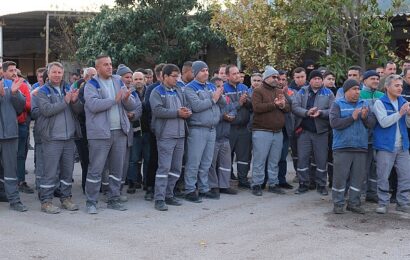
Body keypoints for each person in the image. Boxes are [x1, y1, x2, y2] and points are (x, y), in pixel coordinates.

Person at [84, 55, 138, 214]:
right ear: (98, 67)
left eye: (110, 64)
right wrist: (115, 100)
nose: (109, 67)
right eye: (105, 65)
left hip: (119, 131)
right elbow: (93, 105)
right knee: (96, 168)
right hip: (100, 133)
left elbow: (131, 105)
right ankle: (91, 201)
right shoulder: (91, 84)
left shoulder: (117, 80)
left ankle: (114, 197)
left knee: (117, 168)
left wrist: (127, 99)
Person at [37, 62, 82, 213]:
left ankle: (66, 198)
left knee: (67, 171)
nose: (57, 75)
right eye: (54, 72)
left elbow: (78, 111)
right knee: (50, 172)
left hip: (69, 138)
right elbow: (46, 110)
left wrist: (75, 101)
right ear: (48, 74)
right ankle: (46, 201)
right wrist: (65, 101)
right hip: (52, 138)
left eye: (59, 72)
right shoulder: (42, 91)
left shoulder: (68, 88)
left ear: (63, 74)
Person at [330, 79, 376, 214]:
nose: (357, 92)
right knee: (340, 178)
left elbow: (371, 124)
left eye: (358, 89)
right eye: (354, 89)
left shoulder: (364, 103)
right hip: (342, 147)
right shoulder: (337, 104)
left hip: (360, 147)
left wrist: (365, 117)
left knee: (358, 178)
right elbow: (335, 123)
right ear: (346, 91)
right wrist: (353, 117)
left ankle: (354, 203)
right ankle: (338, 204)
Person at [149, 64, 191, 211]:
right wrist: (177, 113)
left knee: (176, 168)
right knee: (164, 168)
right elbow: (157, 110)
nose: (176, 79)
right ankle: (159, 198)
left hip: (180, 135)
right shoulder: (157, 92)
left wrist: (187, 111)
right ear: (164, 76)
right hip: (166, 135)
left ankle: (169, 194)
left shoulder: (179, 90)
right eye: (173, 76)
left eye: (177, 76)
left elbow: (185, 105)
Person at [184, 61, 225, 202]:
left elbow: (223, 103)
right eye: (202, 71)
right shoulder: (189, 88)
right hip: (197, 128)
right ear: (195, 73)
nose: (206, 73)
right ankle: (190, 189)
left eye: (207, 70)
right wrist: (213, 99)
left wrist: (220, 95)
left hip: (211, 129)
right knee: (194, 161)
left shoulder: (211, 86)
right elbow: (196, 106)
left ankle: (203, 187)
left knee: (206, 162)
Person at [292, 70, 335, 195]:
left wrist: (321, 113)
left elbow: (332, 110)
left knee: (321, 160)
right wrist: (306, 112)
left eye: (319, 78)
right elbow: (295, 107)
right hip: (304, 131)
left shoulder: (328, 93)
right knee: (302, 159)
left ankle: (321, 185)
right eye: (314, 78)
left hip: (321, 132)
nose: (317, 81)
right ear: (309, 80)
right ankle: (303, 184)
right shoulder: (302, 91)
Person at [373, 74, 410, 214]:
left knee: (406, 175)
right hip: (385, 146)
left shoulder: (403, 101)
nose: (400, 88)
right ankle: (383, 203)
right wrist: (401, 113)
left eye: (401, 85)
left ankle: (403, 203)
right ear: (387, 87)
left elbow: (407, 125)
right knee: (383, 175)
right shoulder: (380, 103)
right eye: (396, 85)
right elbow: (383, 122)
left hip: (403, 145)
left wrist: (409, 115)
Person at [250, 66, 290, 196]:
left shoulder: (279, 91)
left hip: (277, 132)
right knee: (259, 160)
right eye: (274, 77)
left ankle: (273, 183)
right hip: (262, 131)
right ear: (266, 77)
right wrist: (275, 104)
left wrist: (283, 105)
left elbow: (288, 107)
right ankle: (257, 184)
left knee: (274, 160)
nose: (277, 79)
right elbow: (257, 108)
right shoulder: (258, 91)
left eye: (278, 77)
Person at [0, 76, 28, 211]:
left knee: (11, 170)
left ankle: (15, 201)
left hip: (10, 134)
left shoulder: (10, 84)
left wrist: (15, 93)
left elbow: (20, 107)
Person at [223, 65, 252, 188]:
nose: (238, 76)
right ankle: (229, 180)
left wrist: (247, 102)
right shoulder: (223, 89)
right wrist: (239, 103)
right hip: (229, 128)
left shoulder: (244, 87)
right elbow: (226, 109)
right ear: (227, 76)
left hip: (244, 128)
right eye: (234, 74)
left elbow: (252, 107)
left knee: (244, 156)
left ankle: (243, 179)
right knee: (227, 157)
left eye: (238, 73)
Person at [359, 70, 384, 203]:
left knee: (375, 167)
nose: (375, 81)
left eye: (377, 79)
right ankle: (361, 193)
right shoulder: (359, 93)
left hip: (378, 137)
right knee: (363, 166)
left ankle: (372, 193)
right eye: (372, 78)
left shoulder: (381, 95)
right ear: (365, 80)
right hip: (363, 137)